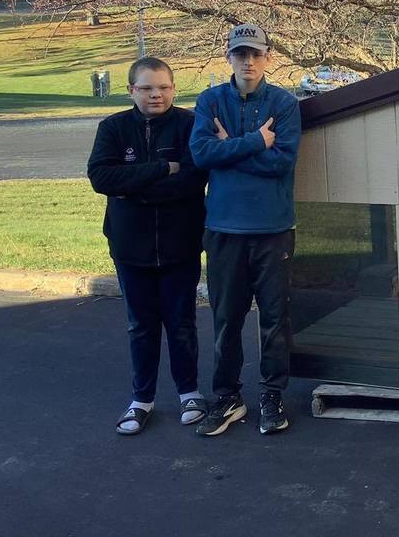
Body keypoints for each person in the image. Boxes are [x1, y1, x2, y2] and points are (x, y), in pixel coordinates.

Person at [190, 23, 301, 437]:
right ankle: (227, 397)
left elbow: (281, 164)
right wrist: (256, 141)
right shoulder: (210, 100)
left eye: (255, 54)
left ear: (268, 57)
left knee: (274, 319)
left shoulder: (285, 104)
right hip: (222, 228)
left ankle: (272, 396)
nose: (248, 61)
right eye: (240, 54)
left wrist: (230, 147)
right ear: (228, 57)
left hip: (272, 228)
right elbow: (202, 154)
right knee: (226, 318)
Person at [88, 56, 208, 435]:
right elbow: (101, 176)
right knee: (141, 326)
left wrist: (133, 188)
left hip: (181, 244)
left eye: (164, 87)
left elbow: (193, 178)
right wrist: (159, 169)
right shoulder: (113, 128)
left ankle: (189, 393)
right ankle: (142, 400)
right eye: (147, 88)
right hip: (130, 247)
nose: (156, 94)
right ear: (131, 91)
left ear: (173, 89)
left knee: (181, 323)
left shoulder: (190, 125)